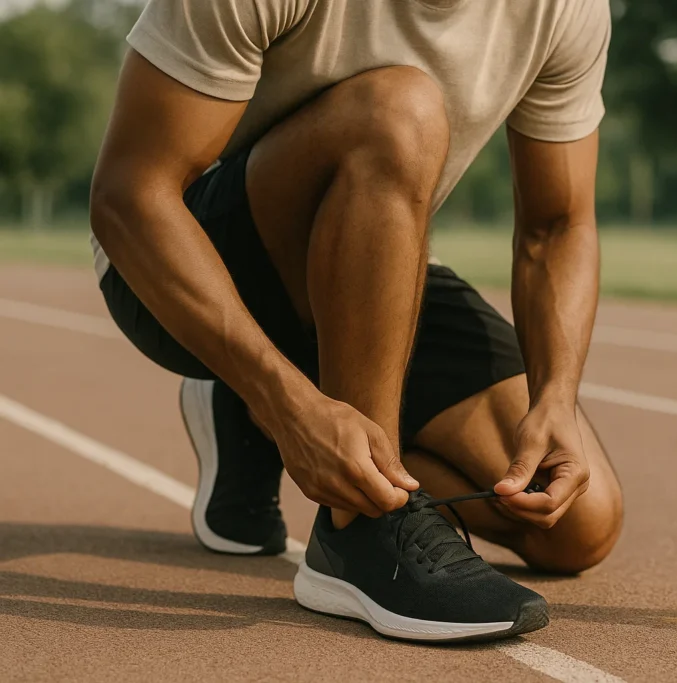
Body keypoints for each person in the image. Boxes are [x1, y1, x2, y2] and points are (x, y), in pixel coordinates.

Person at [89, 0, 623, 643]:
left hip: (362, 255)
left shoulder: (563, 9)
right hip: (175, 263)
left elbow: (556, 224)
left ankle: (252, 419)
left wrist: (556, 396)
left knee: (575, 524)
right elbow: (130, 193)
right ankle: (360, 528)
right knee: (400, 110)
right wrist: (285, 403)